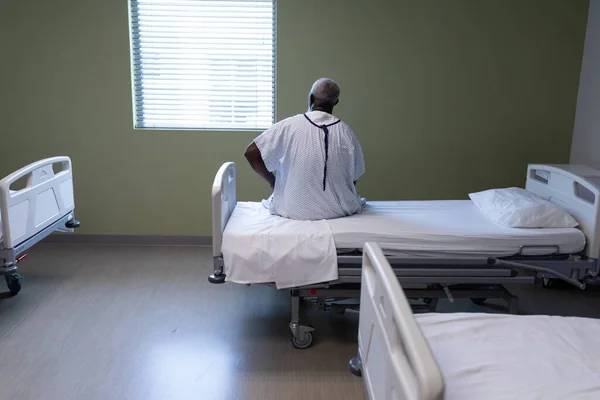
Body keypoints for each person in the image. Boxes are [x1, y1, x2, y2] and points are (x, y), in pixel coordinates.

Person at [244, 78, 365, 220]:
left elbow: (251, 153)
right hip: (338, 212)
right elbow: (354, 176)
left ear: (311, 98)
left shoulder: (288, 126)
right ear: (336, 102)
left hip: (292, 210)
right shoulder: (347, 133)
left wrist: (273, 182)